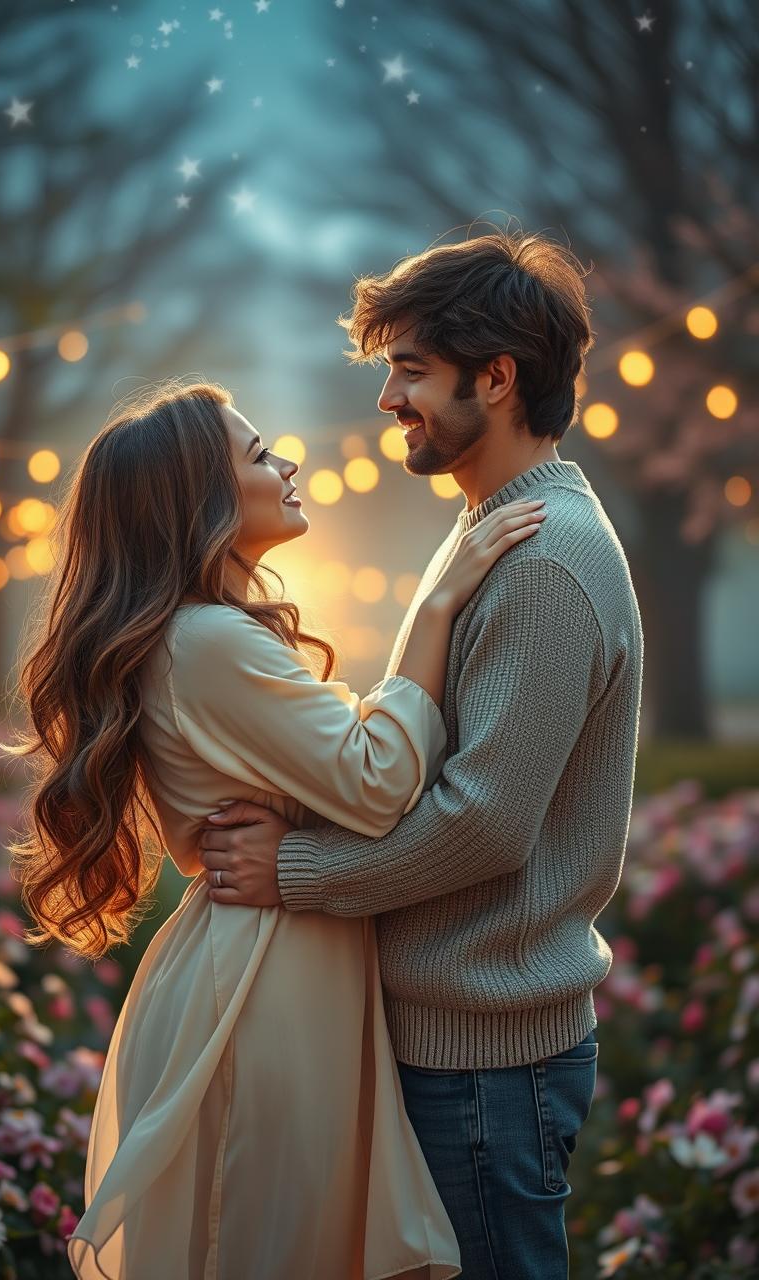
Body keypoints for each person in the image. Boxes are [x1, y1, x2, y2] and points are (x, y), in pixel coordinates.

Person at [3, 373, 547, 1279]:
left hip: (271, 965)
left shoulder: (203, 637)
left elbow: (348, 768)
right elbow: (377, 782)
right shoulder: (208, 643)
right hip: (259, 993)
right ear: (203, 501)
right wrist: (436, 605)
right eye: (259, 455)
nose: (289, 461)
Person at [196, 230, 645, 1279]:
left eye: (410, 369)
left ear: (495, 378)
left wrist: (291, 871)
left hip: (487, 1061)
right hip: (455, 1045)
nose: (388, 398)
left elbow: (483, 820)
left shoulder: (542, 561)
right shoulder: (494, 529)